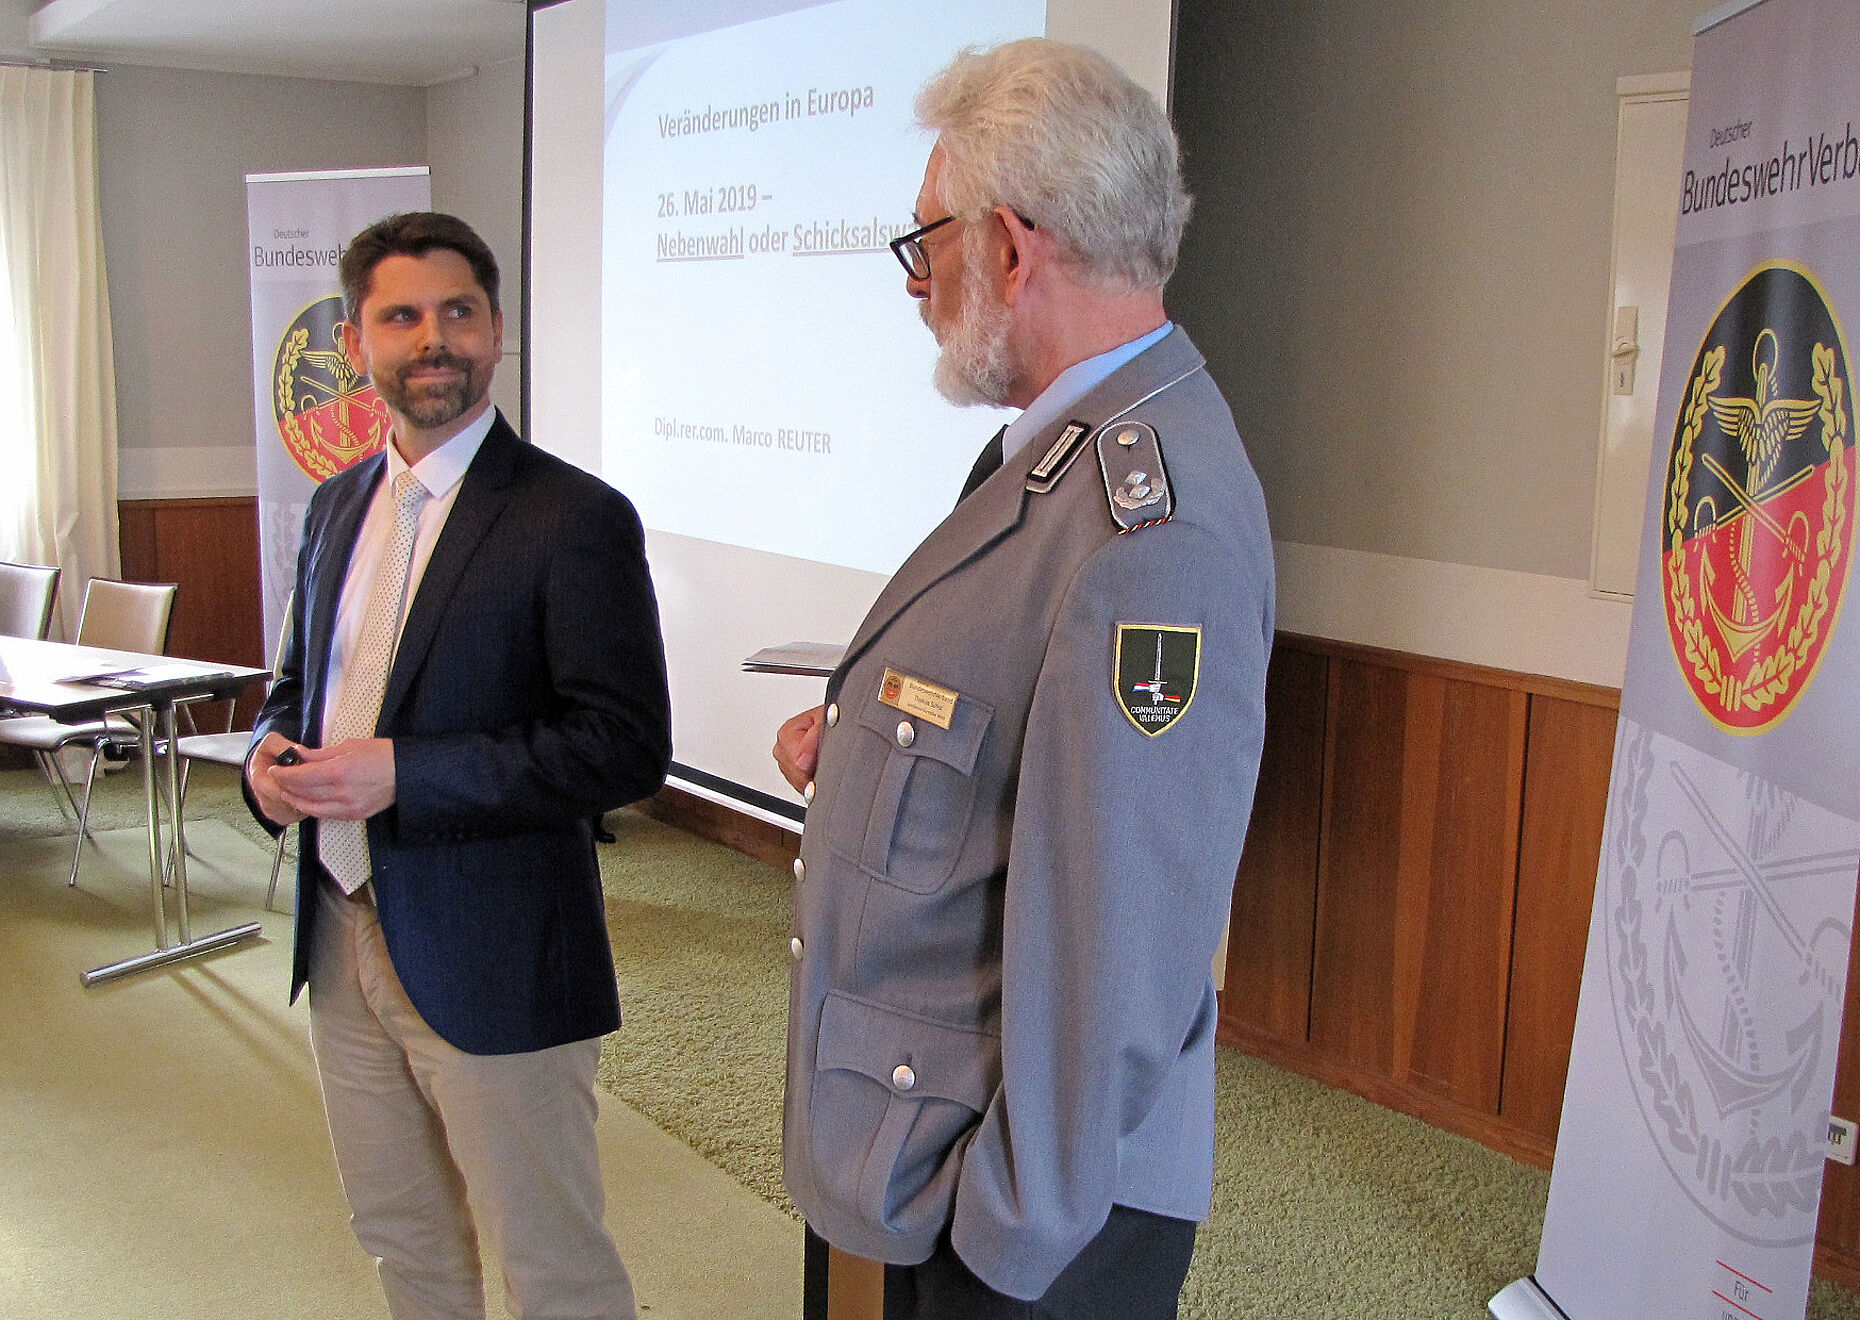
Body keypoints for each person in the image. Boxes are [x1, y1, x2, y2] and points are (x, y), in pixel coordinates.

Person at [773, 39, 1275, 1320]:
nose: (916, 282)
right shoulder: (1063, 451)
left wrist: (1007, 1240)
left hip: (1029, 1222)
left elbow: (1121, 947)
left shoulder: (1149, 528)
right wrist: (863, 751)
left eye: (925, 242)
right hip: (944, 1149)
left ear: (1008, 247)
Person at [244, 211, 670, 1320]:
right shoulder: (337, 505)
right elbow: (296, 689)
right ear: (355, 342)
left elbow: (624, 746)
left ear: (495, 331)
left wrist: (407, 774)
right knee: (403, 1241)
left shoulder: (573, 517)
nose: (433, 339)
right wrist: (264, 762)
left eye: (458, 313)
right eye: (401, 317)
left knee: (551, 1265)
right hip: (338, 929)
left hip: (496, 949)